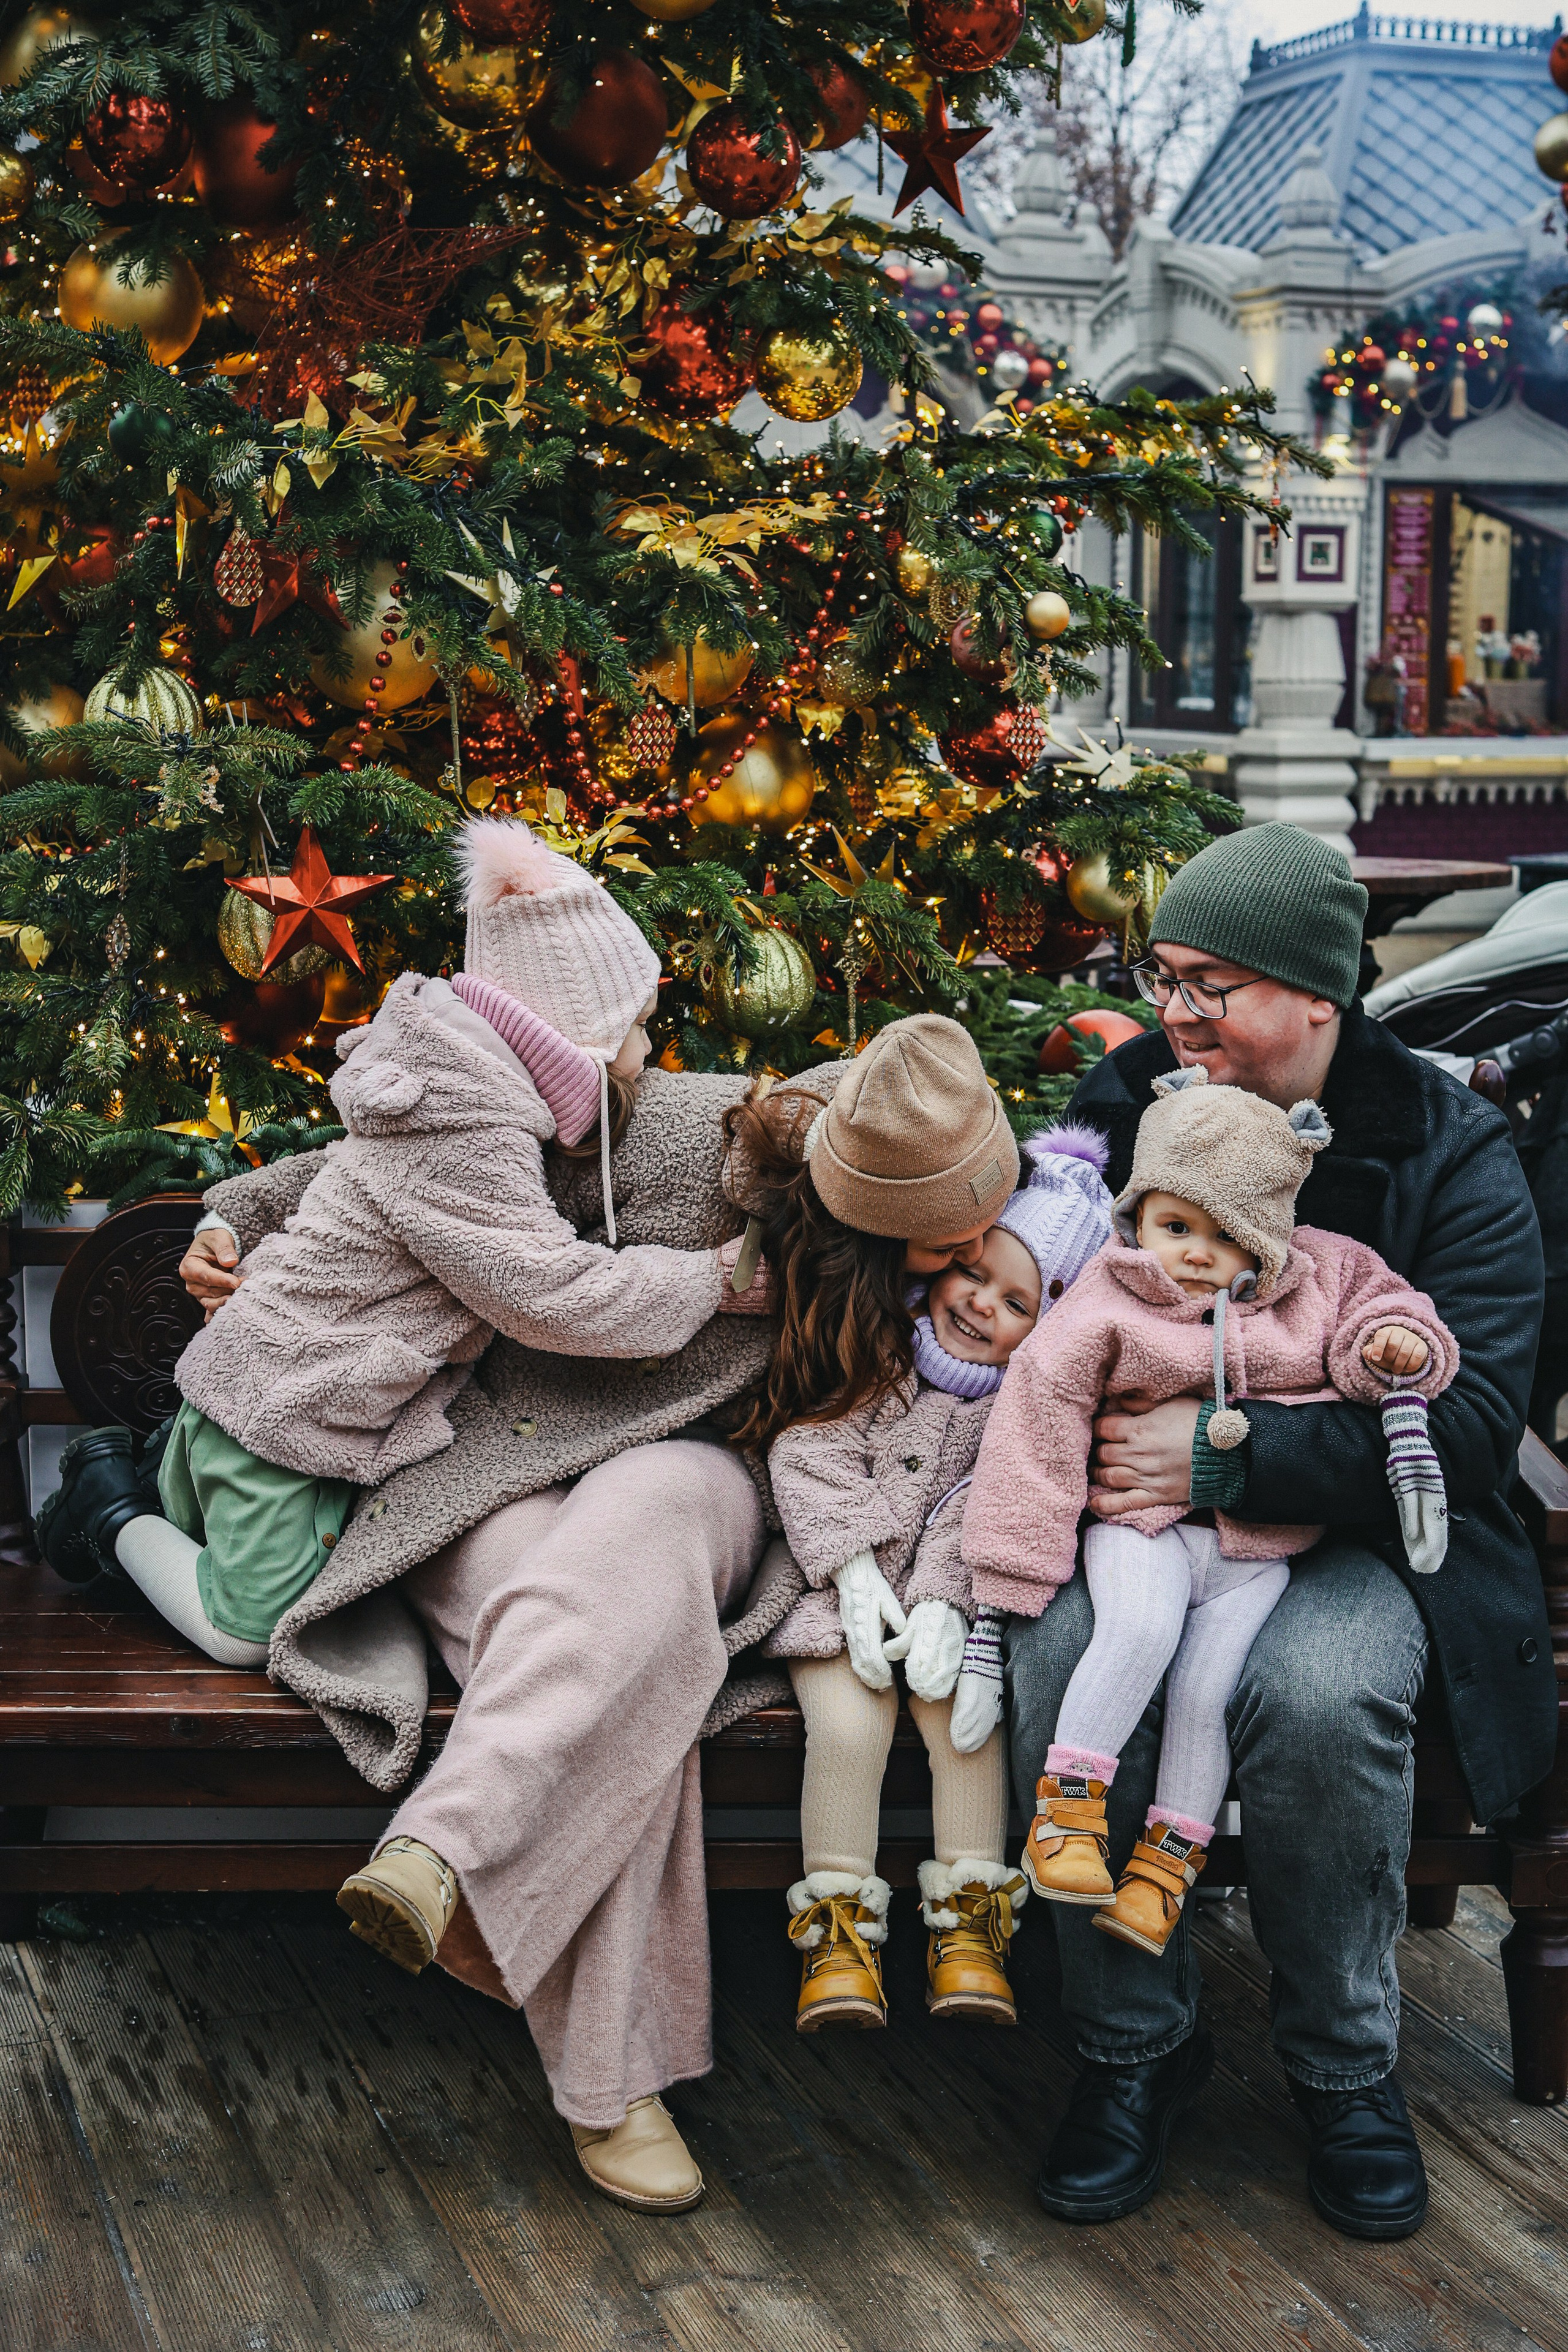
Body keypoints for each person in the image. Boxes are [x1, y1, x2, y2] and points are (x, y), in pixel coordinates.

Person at [176, 1010, 1016, 2215]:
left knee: (651, 1529)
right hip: (492, 1470)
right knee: (615, 1666)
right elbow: (421, 1155)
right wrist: (235, 1217)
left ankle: (452, 1852)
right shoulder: (679, 1132)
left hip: (702, 1488)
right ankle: (610, 2086)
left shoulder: (979, 1202)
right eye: (947, 1240)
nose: (976, 1249)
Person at [1005, 820, 1551, 2242]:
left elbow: (1480, 1421)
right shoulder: (1128, 1093)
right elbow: (1042, 1261)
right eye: (1163, 976)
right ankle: (1133, 2049)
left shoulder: (1444, 1147)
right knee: (1060, 1666)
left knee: (1318, 1697)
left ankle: (1341, 2068)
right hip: (1121, 1514)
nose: (1172, 1015)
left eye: (1210, 985)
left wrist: (1220, 1457)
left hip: (1377, 1533)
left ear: (1314, 992)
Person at [37, 818, 767, 1660]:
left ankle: (167, 1480)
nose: (650, 1049)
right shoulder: (464, 1128)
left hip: (281, 1384)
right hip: (283, 1410)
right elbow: (551, 1294)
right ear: (580, 1038)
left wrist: (226, 1215)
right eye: (637, 1026)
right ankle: (107, 1504)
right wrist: (713, 1281)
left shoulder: (447, 1082)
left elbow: (334, 1173)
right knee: (248, 1632)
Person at [966, 1068, 1456, 1961]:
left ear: (1269, 1239)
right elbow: (1037, 1416)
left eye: (1226, 1236)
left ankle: (1166, 1865)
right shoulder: (1110, 1302)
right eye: (1176, 1226)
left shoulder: (1316, 1279)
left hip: (1256, 1553)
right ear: (1139, 1214)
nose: (1195, 1253)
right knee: (1140, 1634)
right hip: (1140, 1526)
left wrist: (1395, 1347)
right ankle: (1067, 1816)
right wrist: (1013, 1567)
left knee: (1207, 1694)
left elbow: (1379, 1306)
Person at [741, 1115, 1112, 2031]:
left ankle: (973, 1932)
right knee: (848, 1725)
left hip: (957, 1621)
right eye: (975, 1272)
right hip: (838, 1601)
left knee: (966, 1730)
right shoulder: (880, 1355)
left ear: (1050, 1332)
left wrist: (952, 1602)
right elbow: (811, 1450)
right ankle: (837, 1936)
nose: (982, 1302)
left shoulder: (1024, 1422)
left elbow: (1000, 1513)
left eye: (1018, 1303)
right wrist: (856, 1569)